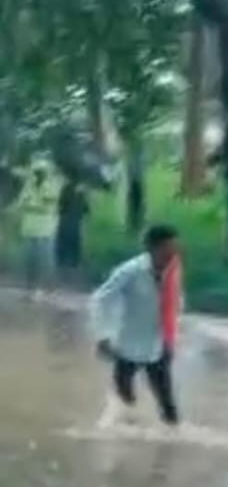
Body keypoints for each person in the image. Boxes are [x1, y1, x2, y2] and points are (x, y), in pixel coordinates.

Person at [91, 225, 184, 426]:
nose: (171, 253)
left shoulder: (173, 271)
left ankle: (170, 436)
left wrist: (173, 338)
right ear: (152, 248)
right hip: (126, 346)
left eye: (173, 248)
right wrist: (103, 336)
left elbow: (175, 304)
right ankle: (124, 436)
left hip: (158, 345)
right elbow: (101, 298)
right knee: (124, 404)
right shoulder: (131, 270)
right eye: (166, 248)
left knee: (169, 409)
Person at [16, 159, 60, 297]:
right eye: (36, 171)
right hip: (29, 228)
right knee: (30, 260)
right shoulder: (28, 186)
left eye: (41, 172)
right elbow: (21, 203)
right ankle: (30, 288)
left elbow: (48, 207)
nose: (38, 174)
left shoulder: (51, 186)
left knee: (45, 261)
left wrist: (31, 205)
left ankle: (48, 288)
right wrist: (34, 205)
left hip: (45, 229)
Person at [55, 177, 90, 281]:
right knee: (73, 248)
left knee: (64, 248)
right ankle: (71, 272)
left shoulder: (66, 189)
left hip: (66, 222)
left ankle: (63, 272)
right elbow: (86, 210)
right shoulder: (80, 193)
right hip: (73, 223)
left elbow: (60, 206)